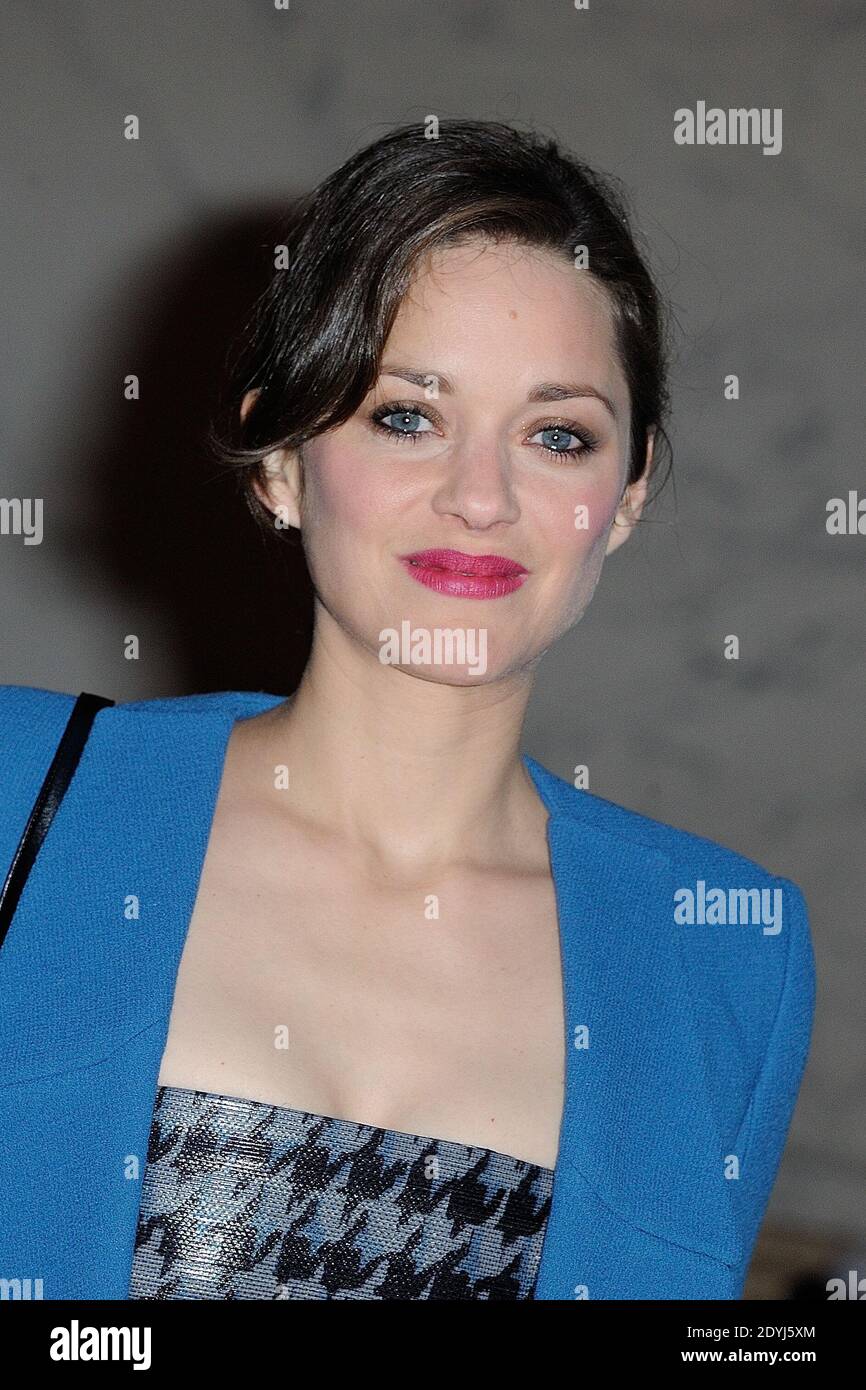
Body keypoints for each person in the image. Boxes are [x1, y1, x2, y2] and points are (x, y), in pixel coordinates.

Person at [0, 119, 815, 1301]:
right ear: (281, 459)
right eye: (406, 415)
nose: (479, 497)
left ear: (625, 495)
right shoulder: (25, 793)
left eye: (555, 435)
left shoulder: (724, 954)